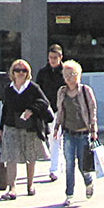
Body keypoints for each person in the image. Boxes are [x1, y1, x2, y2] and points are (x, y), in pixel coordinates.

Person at [0, 59, 51, 200]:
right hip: (11, 125)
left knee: (30, 156)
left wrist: (31, 110)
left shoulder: (33, 87)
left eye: (24, 70)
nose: (20, 73)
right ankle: (12, 188)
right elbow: (6, 108)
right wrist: (0, 128)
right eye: (17, 70)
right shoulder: (9, 88)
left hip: (29, 127)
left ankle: (30, 184)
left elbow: (44, 102)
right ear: (12, 73)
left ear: (28, 73)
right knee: (10, 157)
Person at [53, 60, 98, 206]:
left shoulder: (85, 90)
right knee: (69, 164)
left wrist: (93, 130)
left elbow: (92, 110)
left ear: (78, 75)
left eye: (72, 74)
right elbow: (60, 111)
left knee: (82, 165)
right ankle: (69, 194)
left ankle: (88, 182)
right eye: (66, 74)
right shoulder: (62, 92)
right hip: (68, 133)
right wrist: (56, 128)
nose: (68, 78)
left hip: (83, 133)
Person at [36, 44, 66, 182]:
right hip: (47, 111)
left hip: (61, 110)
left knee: (56, 139)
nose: (52, 60)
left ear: (60, 57)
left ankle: (54, 168)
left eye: (55, 58)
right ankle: (60, 162)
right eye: (50, 58)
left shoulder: (66, 72)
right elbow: (37, 91)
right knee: (51, 139)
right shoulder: (43, 73)